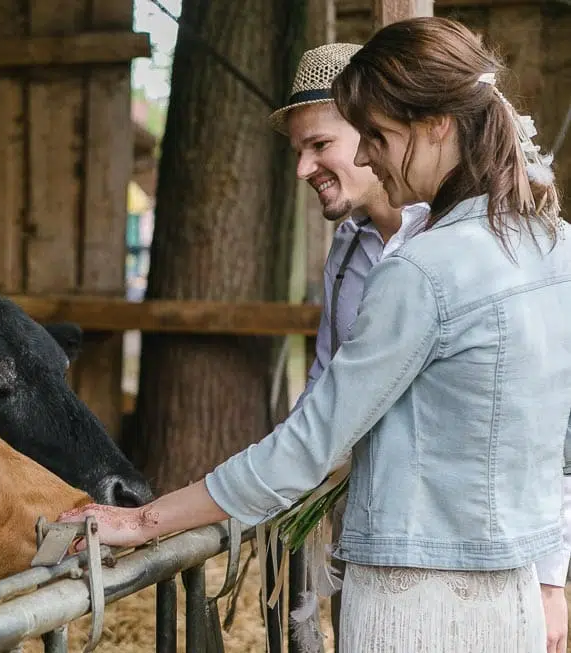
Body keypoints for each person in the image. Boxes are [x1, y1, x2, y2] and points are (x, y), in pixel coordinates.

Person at [60, 17, 571, 652]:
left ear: (437, 124)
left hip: (417, 600)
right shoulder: (554, 246)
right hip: (511, 596)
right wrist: (553, 578)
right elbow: (559, 443)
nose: (363, 155)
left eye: (376, 135)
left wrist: (143, 520)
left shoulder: (421, 268)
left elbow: (308, 447)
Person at [274, 42, 571, 652]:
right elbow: (327, 394)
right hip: (374, 545)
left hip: (470, 565)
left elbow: (543, 422)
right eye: (297, 151)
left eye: (320, 145)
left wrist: (547, 576)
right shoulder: (348, 248)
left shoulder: (468, 245)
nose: (305, 168)